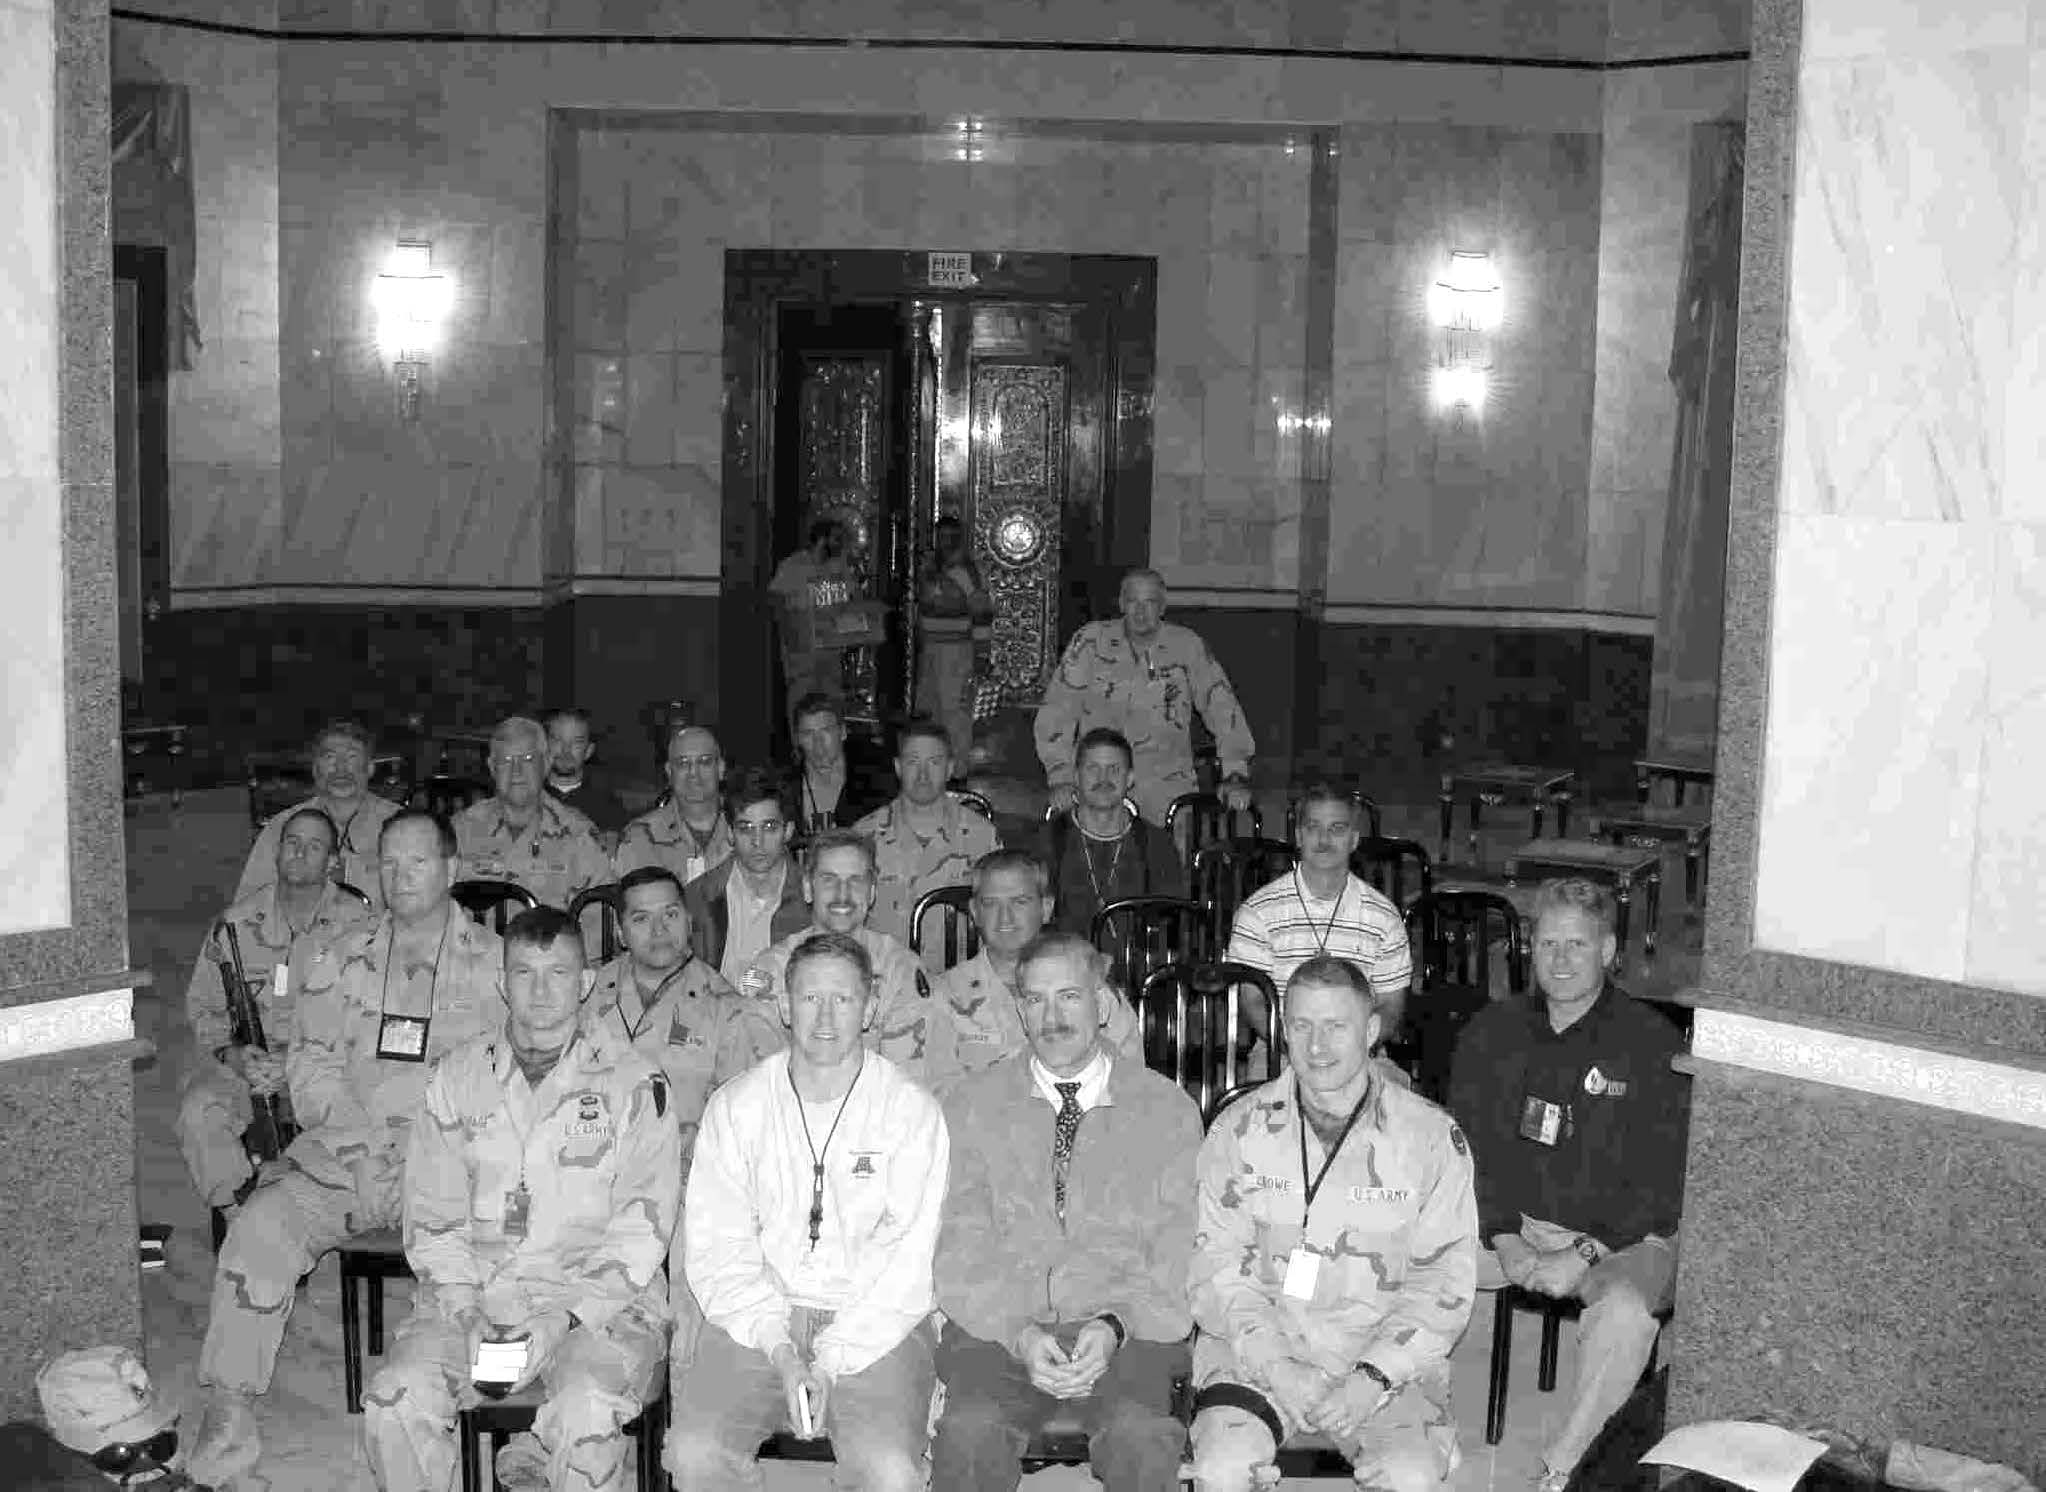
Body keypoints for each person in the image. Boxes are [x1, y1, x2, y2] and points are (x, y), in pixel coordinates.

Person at [197, 810, 504, 1459]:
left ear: (451, 870)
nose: (400, 876)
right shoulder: (341, 957)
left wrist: (428, 1147)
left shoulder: (497, 967)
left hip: (455, 1169)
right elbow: (310, 1067)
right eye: (388, 863)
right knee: (262, 1227)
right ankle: (228, 1415)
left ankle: (499, 1421)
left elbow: (510, 1082)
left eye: (417, 861)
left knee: (507, 1265)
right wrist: (361, 1141)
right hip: (349, 1157)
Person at [363, 907, 680, 1492]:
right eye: (523, 972)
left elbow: (642, 1231)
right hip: (476, 1295)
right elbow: (432, 1218)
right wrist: (465, 1311)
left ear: (584, 983)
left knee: (584, 1410)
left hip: (595, 1305)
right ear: (500, 982)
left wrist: (559, 1321)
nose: (539, 989)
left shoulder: (636, 1083)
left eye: (557, 972)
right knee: (392, 1401)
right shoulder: (457, 1077)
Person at [666, 932, 949, 1492]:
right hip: (757, 1321)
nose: (824, 1017)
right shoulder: (737, 1107)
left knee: (889, 1472)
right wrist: (781, 1347)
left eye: (842, 1000)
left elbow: (913, 1268)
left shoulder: (910, 1112)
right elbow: (717, 1249)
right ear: (782, 1006)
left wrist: (831, 1359)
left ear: (869, 1009)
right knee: (694, 1455)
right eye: (808, 998)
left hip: (874, 1323)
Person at [1187, 956, 1476, 1492]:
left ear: (1370, 1030)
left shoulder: (1430, 1138)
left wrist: (1373, 1377)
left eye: (1336, 1026)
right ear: (1283, 1027)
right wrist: (1277, 1365)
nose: (1316, 1046)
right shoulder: (1238, 1130)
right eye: (1302, 1025)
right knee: (1220, 1470)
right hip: (1256, 1354)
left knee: (1412, 1478)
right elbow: (1216, 1268)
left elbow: (1445, 1286)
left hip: (1383, 1365)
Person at [931, 931, 1199, 1492]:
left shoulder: (1166, 1110)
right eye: (1034, 999)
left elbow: (1182, 1249)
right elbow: (957, 1248)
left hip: (1129, 1322)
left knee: (1142, 1436)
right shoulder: (970, 1107)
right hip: (999, 1326)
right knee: (969, 1434)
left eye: (1069, 996)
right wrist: (1019, 1331)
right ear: (1019, 1010)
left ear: (1101, 1005)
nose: (1051, 1016)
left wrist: (1116, 1323)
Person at [1446, 879, 1689, 1492]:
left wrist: (1582, 1252)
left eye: (1576, 944)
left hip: (1617, 1237)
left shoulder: (1651, 1042)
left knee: (1628, 1316)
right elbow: (1467, 1155)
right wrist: (1506, 1239)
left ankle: (1567, 1468)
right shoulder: (1491, 1032)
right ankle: (1402, 1420)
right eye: (1546, 942)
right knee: (1402, 1250)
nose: (1558, 958)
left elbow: (1661, 1182)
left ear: (1609, 950)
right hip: (1510, 1226)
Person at [180, 807, 370, 1221]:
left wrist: (299, 1061)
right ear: (277, 852)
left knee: (375, 1108)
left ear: (333, 862)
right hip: (250, 1064)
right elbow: (203, 1009)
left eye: (314, 845)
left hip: (327, 1065)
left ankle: (322, 1208)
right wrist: (232, 1055)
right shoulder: (233, 927)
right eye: (291, 842)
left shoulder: (361, 927)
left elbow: (370, 1016)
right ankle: (241, 1212)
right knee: (200, 1108)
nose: (299, 853)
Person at [588, 866, 779, 1167]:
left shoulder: (728, 1008)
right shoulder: (584, 996)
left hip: (687, 1176)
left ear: (689, 922)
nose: (659, 930)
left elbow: (748, 1120)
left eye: (670, 914)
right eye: (641, 918)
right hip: (591, 1169)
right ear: (619, 933)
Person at [1034, 569, 1256, 826]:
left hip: (1166, 784)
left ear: (1162, 607)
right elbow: (1058, 710)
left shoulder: (1187, 646)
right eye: (1133, 601)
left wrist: (1235, 775)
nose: (1141, 612)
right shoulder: (1090, 642)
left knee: (1170, 859)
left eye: (1149, 602)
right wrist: (1060, 775)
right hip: (1100, 778)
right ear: (1121, 604)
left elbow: (1222, 707)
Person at [923, 849, 1142, 1084]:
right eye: (990, 903)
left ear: (1046, 908)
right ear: (975, 912)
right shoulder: (943, 996)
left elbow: (1131, 1087)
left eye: (1020, 902)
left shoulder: (1095, 989)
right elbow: (936, 1097)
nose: (1005, 917)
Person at [738, 829, 937, 1077]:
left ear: (872, 892)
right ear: (808, 888)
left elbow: (905, 1076)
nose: (842, 895)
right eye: (829, 880)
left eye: (855, 881)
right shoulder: (767, 969)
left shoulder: (903, 969)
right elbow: (761, 1073)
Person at [1226, 783, 1412, 1044]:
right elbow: (1253, 1001)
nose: (1324, 840)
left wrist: (1350, 1052)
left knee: (1397, 1085)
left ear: (1354, 840)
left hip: (1361, 1056)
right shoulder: (1257, 913)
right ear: (1299, 837)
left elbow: (1390, 1007)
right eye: (1314, 828)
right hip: (1279, 1056)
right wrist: (1299, 1050)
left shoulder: (1384, 918)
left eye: (1337, 829)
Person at [853, 718, 1000, 946]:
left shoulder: (983, 837)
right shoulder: (863, 836)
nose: (923, 775)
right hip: (885, 976)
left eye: (934, 762)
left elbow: (999, 922)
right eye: (913, 762)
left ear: (950, 768)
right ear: (898, 767)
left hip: (959, 976)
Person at [234, 720, 400, 908]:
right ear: (315, 769)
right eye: (330, 758)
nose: (340, 769)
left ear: (370, 768)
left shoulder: (401, 825)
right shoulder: (282, 827)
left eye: (352, 757)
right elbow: (248, 904)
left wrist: (355, 872)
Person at [1037, 727, 1185, 937]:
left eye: (1114, 769)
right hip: (1066, 963)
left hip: (1138, 963)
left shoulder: (1156, 844)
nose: (1103, 779)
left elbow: (1173, 925)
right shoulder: (1049, 841)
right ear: (1076, 777)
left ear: (1130, 778)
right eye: (1093, 769)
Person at [453, 716, 611, 911]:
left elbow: (597, 923)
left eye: (528, 759)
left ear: (545, 763)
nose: (516, 771)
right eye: (506, 760)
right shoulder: (460, 831)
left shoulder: (580, 835)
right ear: (492, 767)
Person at [679, 766, 810, 981]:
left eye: (769, 827)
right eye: (746, 828)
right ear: (730, 833)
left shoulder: (812, 900)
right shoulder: (697, 897)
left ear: (788, 831)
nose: (757, 842)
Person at [915, 514, 993, 766]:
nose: (944, 542)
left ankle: (958, 770)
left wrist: (982, 654)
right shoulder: (931, 568)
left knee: (955, 712)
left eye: (950, 537)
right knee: (931, 710)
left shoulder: (966, 571)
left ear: (959, 539)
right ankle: (936, 764)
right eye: (940, 537)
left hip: (957, 650)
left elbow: (982, 613)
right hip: (931, 648)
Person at [768, 518, 859, 727]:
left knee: (833, 699)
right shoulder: (793, 565)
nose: (841, 544)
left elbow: (854, 599)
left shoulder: (840, 566)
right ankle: (800, 750)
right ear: (821, 539)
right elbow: (775, 601)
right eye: (836, 539)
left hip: (831, 647)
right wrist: (790, 629)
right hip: (802, 650)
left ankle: (832, 746)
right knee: (802, 700)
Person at [616, 724, 733, 886]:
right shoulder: (639, 838)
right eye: (683, 763)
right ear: (669, 772)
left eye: (704, 762)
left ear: (720, 769)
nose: (694, 773)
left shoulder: (748, 829)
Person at [783, 693, 893, 838]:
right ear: (798, 739)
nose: (818, 743)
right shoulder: (786, 789)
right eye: (808, 733)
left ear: (842, 732)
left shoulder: (876, 782)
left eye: (826, 731)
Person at [542, 706, 631, 843]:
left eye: (576, 743)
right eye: (557, 740)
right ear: (543, 745)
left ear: (589, 751)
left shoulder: (610, 811)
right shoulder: (525, 799)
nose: (566, 751)